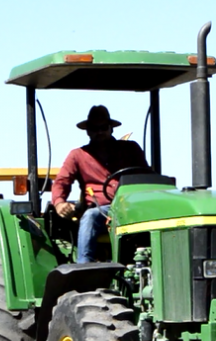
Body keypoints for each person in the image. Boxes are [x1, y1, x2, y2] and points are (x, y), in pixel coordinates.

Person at [52, 105, 149, 263]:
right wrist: (59, 202)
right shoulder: (78, 155)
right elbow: (61, 181)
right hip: (102, 213)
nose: (99, 132)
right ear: (88, 131)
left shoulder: (130, 149)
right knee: (90, 215)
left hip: (132, 207)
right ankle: (84, 267)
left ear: (111, 128)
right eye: (94, 128)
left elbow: (145, 174)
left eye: (103, 127)